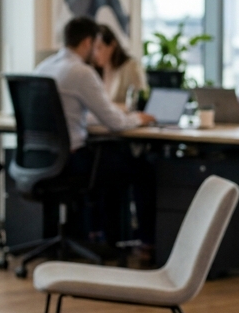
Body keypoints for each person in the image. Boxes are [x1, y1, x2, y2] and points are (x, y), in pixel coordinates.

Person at [35, 16, 156, 249]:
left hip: (42, 158)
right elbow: (115, 123)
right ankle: (146, 243)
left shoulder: (44, 67)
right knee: (143, 169)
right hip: (72, 161)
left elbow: (70, 113)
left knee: (112, 162)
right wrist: (138, 118)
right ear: (87, 42)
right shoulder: (81, 72)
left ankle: (99, 237)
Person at [92, 23, 148, 109]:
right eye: (93, 49)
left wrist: (104, 109)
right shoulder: (94, 71)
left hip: (125, 120)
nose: (95, 54)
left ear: (112, 46)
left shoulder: (130, 66)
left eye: (99, 48)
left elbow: (138, 102)